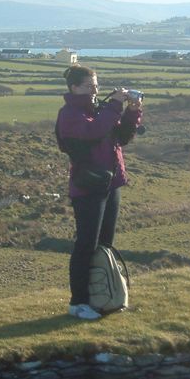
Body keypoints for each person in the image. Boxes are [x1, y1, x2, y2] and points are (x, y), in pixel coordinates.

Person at [55, 64, 143, 320]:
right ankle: (78, 302)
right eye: (89, 86)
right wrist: (115, 106)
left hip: (110, 183)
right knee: (86, 244)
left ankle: (103, 296)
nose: (95, 90)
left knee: (104, 244)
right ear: (74, 88)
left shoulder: (98, 110)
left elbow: (121, 137)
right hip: (88, 187)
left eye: (96, 85)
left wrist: (132, 113)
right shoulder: (69, 113)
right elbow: (93, 132)